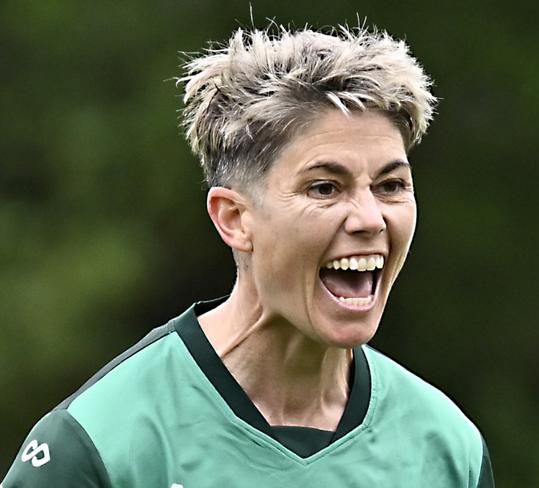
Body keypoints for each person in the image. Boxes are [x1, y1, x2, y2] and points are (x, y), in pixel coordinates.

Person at [2, 25, 495, 487]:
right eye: (325, 187)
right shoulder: (98, 445)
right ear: (234, 219)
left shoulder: (448, 448)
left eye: (391, 186)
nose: (370, 218)